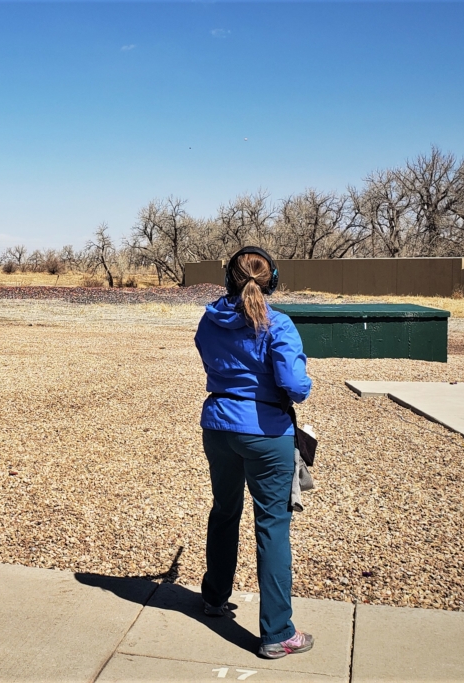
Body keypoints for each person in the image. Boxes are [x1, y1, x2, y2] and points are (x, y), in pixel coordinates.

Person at [193, 246, 314, 659]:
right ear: (273, 282)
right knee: (272, 527)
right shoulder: (277, 324)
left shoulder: (209, 319)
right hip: (266, 433)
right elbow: (295, 386)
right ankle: (277, 632)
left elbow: (209, 355)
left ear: (229, 280)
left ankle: (214, 597)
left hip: (218, 426)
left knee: (225, 511)